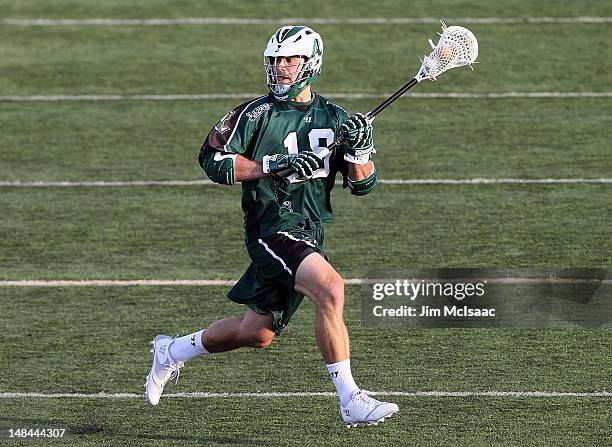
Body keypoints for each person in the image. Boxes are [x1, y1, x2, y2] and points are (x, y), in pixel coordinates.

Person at [145, 25, 399, 428]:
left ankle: (172, 351)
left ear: (311, 63)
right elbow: (212, 160)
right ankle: (350, 399)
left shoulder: (334, 116)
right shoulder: (255, 113)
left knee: (256, 333)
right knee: (331, 289)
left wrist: (361, 147)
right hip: (271, 227)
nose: (281, 67)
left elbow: (362, 184)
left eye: (290, 59)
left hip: (309, 229)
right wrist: (271, 164)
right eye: (276, 60)